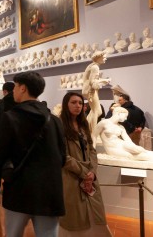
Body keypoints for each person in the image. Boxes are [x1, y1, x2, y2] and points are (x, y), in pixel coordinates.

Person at [0, 72, 66, 237]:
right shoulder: (55, 121)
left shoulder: (10, 119)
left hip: (18, 190)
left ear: (23, 88)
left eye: (15, 86)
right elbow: (62, 158)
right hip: (49, 193)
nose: (13, 90)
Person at [58, 92, 112, 236]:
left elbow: (92, 149)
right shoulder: (59, 125)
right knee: (75, 218)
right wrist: (83, 172)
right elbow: (63, 156)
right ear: (66, 104)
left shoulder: (83, 124)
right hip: (71, 177)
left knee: (95, 215)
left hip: (89, 176)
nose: (78, 106)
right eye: (73, 102)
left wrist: (92, 172)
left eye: (80, 103)